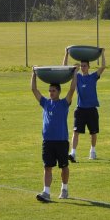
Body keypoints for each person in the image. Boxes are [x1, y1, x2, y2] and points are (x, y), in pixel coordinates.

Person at [31, 68, 77, 202]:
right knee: (47, 167)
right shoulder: (45, 103)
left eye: (53, 91)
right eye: (50, 91)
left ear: (58, 92)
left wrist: (75, 74)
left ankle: (64, 188)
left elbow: (72, 89)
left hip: (61, 141)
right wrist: (34, 74)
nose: (51, 93)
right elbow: (34, 89)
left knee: (64, 166)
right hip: (47, 141)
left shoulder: (64, 103)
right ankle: (46, 192)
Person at [63, 47, 106, 160]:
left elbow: (103, 67)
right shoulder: (77, 76)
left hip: (92, 109)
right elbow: (65, 67)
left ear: (89, 67)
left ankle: (92, 151)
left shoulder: (93, 77)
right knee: (75, 132)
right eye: (81, 66)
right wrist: (66, 53)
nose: (82, 68)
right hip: (80, 109)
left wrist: (102, 53)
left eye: (84, 66)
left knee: (93, 133)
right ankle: (73, 153)